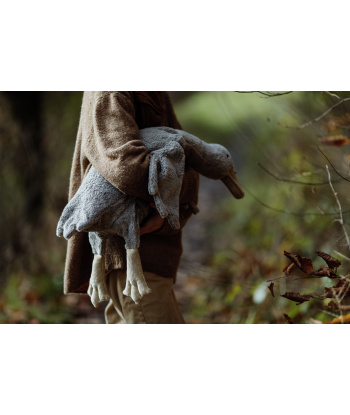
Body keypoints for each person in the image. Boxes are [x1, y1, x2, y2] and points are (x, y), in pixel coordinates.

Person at [64, 91, 199, 324]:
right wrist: (180, 191)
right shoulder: (111, 90)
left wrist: (182, 191)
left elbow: (186, 152)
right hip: (133, 262)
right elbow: (125, 166)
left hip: (149, 255)